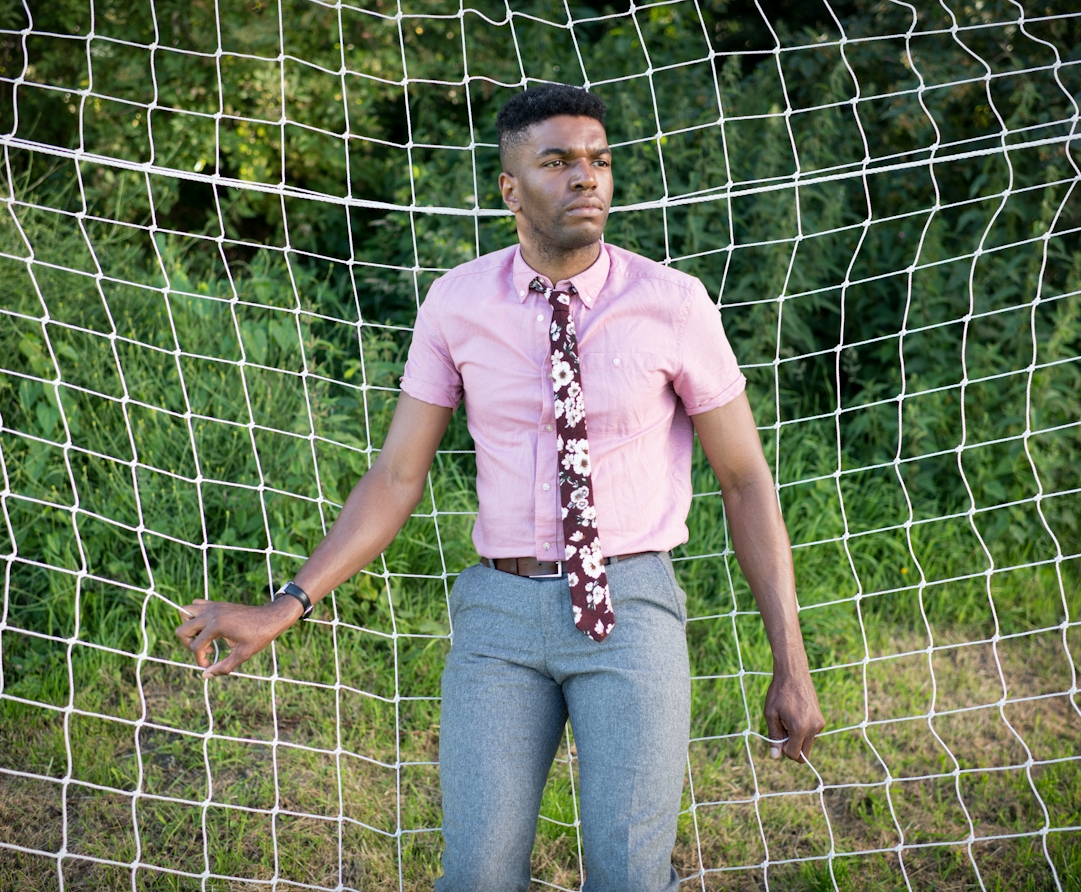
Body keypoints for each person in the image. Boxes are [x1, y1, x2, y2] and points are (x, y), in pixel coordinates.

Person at [176, 83, 825, 892]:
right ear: (510, 189)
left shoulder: (672, 303)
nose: (585, 177)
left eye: (598, 160)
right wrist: (286, 604)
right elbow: (396, 475)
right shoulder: (457, 303)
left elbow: (745, 478)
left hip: (630, 604)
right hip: (499, 615)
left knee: (628, 875)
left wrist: (789, 662)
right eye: (556, 162)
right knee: (477, 875)